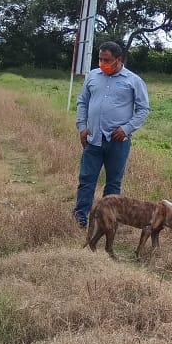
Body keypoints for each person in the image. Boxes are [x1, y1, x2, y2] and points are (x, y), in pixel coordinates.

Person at [72, 41, 151, 228]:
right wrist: (82, 127)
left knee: (113, 184)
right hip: (93, 139)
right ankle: (81, 217)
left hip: (118, 141)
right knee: (86, 180)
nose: (102, 63)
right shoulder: (92, 76)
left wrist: (126, 129)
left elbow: (143, 109)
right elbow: (82, 102)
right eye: (100, 59)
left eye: (107, 60)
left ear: (119, 60)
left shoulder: (133, 81)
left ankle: (107, 219)